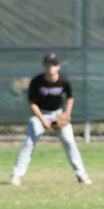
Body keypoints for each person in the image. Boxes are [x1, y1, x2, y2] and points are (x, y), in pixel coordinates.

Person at [10, 52, 91, 186]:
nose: (51, 67)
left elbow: (70, 97)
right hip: (40, 115)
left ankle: (82, 175)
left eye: (54, 64)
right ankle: (16, 175)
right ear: (44, 66)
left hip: (57, 114)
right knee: (29, 143)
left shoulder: (64, 80)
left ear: (58, 66)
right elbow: (32, 103)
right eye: (48, 64)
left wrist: (67, 114)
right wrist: (42, 120)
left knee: (70, 142)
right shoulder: (37, 81)